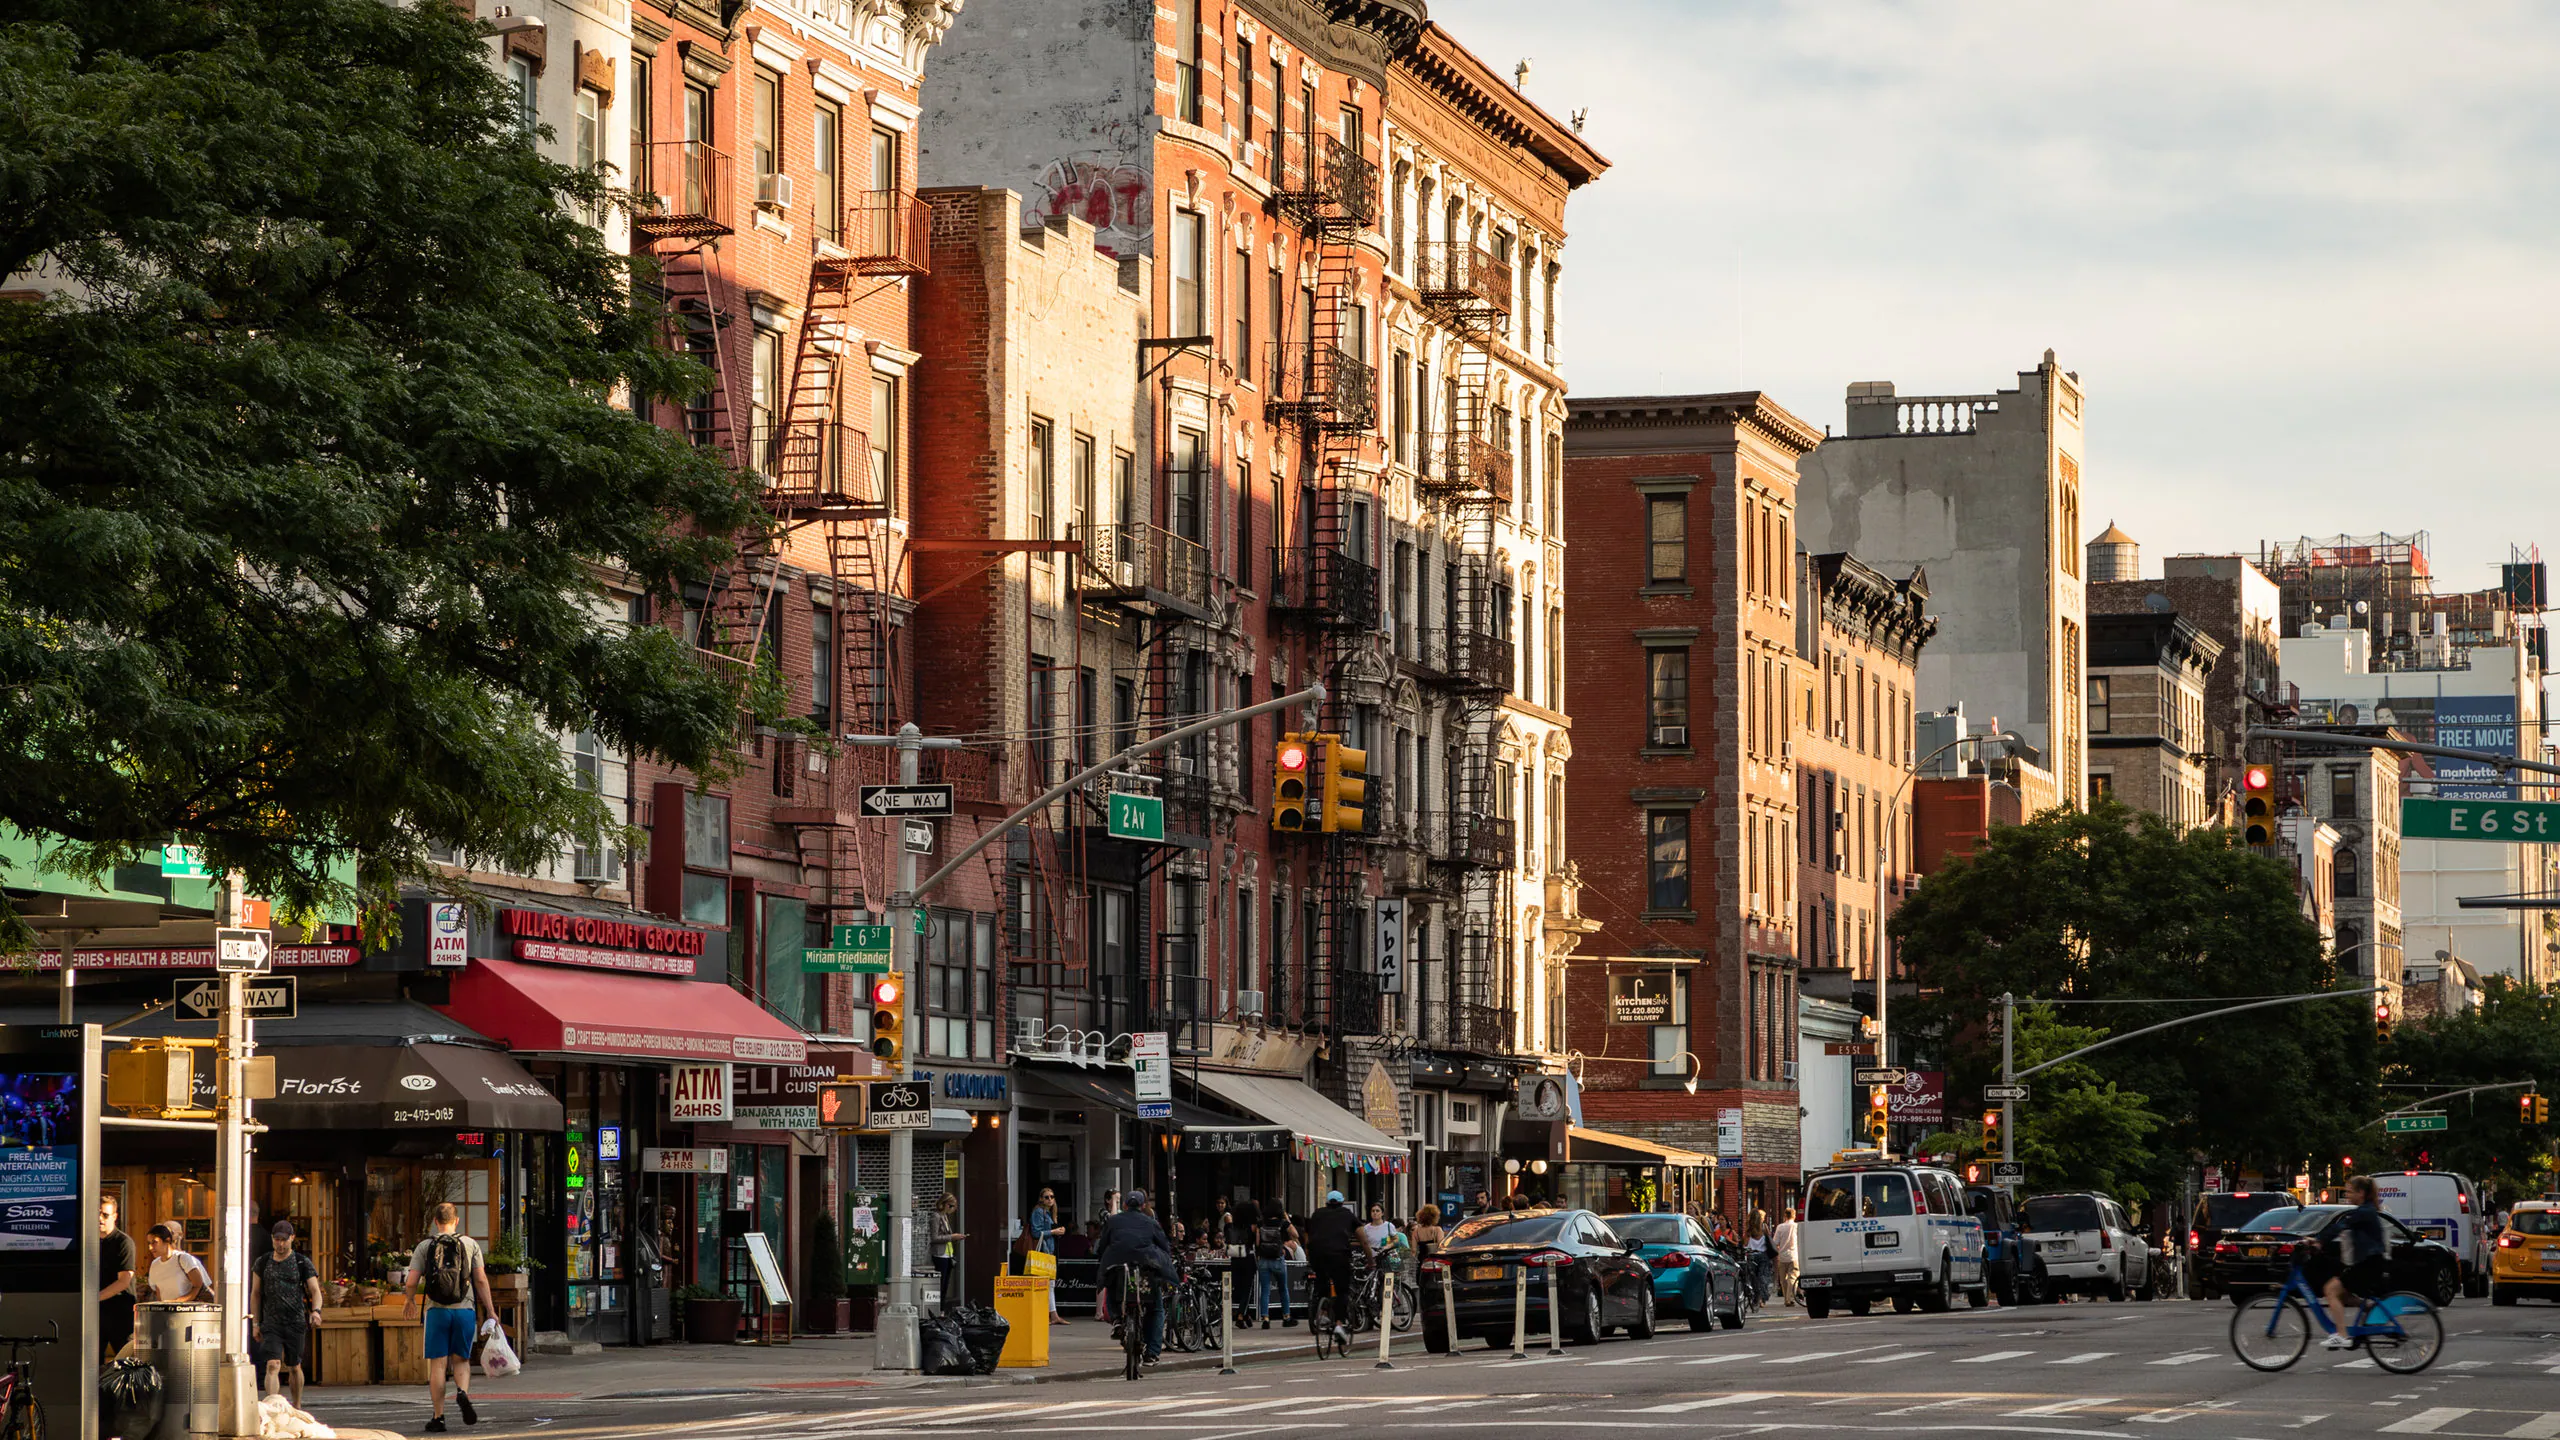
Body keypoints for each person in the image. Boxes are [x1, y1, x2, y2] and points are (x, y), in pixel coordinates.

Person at [404, 1201, 497, 1432]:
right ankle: (462, 1392)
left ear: (435, 1221)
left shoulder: (425, 1246)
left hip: (436, 1312)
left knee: (438, 1364)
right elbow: (481, 1280)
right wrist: (491, 1310)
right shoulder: (469, 1244)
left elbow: (412, 1281)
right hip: (464, 1310)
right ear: (456, 1221)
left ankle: (438, 1417)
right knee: (461, 1360)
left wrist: (409, 1300)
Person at [1094, 1189, 1176, 1364]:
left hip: (1117, 1265)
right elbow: (1164, 1245)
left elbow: (1102, 1245)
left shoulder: (1114, 1221)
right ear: (1143, 1205)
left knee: (1111, 1287)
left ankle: (1117, 1319)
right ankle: (1152, 1353)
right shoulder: (1150, 1222)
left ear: (1124, 1205)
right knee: (1155, 1307)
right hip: (1145, 1266)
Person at [250, 1220, 323, 1407]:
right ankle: (273, 1407)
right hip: (271, 1321)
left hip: (295, 1320)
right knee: (272, 1364)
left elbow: (315, 1290)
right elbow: (256, 1293)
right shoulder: (263, 1262)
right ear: (272, 1239)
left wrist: (316, 1311)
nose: (280, 1244)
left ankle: (297, 1405)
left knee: (294, 1366)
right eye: (277, 1239)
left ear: (292, 1238)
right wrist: (255, 1323)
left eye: (284, 1240)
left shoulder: (301, 1262)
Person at [2316, 1175, 2390, 1349]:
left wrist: (2318, 1241)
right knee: (2344, 1293)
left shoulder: (2364, 1212)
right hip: (2370, 1262)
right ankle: (2368, 1308)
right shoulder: (2366, 1210)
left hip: (2368, 1263)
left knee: (2330, 1290)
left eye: (2350, 1192)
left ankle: (2342, 1335)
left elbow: (2341, 1226)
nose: (2347, 1195)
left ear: (2361, 1193)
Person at [1301, 1190, 1361, 1343]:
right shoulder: (1347, 1214)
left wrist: (1309, 1255)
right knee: (1342, 1290)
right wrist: (1370, 1259)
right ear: (1342, 1202)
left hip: (1317, 1254)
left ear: (1326, 1203)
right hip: (1339, 1255)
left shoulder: (1317, 1214)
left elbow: (1308, 1237)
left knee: (1322, 1283)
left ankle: (1323, 1313)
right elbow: (1363, 1237)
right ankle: (1339, 1325)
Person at [97, 1196, 137, 1363]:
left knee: (126, 1364)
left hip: (120, 1314)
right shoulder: (90, 1242)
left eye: (105, 1215)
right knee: (92, 1364)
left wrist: (93, 1298)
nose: (100, 1219)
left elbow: (124, 1281)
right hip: (97, 1314)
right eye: (97, 1213)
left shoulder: (123, 1242)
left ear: (115, 1216)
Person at [1253, 1202, 1296, 1328]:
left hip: (1264, 1260)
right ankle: (1286, 1316)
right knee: (1283, 1288)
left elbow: (1257, 1242)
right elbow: (1295, 1234)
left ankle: (1265, 1318)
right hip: (1278, 1259)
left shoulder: (1261, 1223)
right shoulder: (1282, 1223)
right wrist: (1286, 1218)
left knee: (1265, 1290)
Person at [143, 1223, 211, 1303]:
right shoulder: (154, 1264)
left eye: (154, 1242)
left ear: (167, 1240)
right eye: (149, 1243)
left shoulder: (183, 1259)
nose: (150, 1247)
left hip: (188, 1311)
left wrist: (177, 1302)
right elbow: (158, 1291)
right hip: (166, 1312)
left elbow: (198, 1285)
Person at [1027, 1188, 1065, 1322]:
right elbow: (1036, 1233)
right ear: (1041, 1199)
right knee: (1045, 1283)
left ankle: (1053, 1315)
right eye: (1046, 1197)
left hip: (1049, 1251)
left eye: (1052, 1197)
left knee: (1050, 1283)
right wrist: (1054, 1231)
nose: (1050, 1199)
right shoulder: (1038, 1211)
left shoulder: (1049, 1213)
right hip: (1043, 1251)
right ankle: (1049, 1315)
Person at [928, 1194, 966, 1313]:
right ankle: (938, 1309)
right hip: (940, 1254)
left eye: (954, 1206)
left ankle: (942, 1310)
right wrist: (952, 1237)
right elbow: (934, 1237)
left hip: (948, 1254)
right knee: (941, 1283)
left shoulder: (945, 1217)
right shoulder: (936, 1216)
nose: (952, 1209)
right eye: (951, 1206)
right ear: (943, 1204)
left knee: (945, 1285)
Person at [1772, 1206, 1800, 1306]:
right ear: (1794, 1215)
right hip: (1794, 1255)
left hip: (1782, 1256)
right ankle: (1789, 1298)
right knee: (1792, 1277)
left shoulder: (1780, 1227)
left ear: (1785, 1216)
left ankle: (1786, 1298)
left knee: (1783, 1279)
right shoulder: (1797, 1226)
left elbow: (1775, 1242)